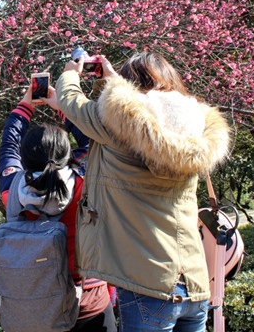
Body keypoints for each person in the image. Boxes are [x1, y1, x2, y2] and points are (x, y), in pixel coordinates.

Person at [56, 52, 230, 332]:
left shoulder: (117, 126)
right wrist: (108, 83)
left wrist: (70, 75)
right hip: (195, 286)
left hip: (147, 286)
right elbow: (123, 111)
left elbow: (73, 103)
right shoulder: (196, 128)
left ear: (130, 84)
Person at [0, 84, 117, 332]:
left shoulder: (12, 189)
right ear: (67, 155)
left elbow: (9, 145)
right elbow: (92, 141)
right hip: (90, 303)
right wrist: (62, 106)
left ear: (24, 158)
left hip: (37, 309)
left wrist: (25, 106)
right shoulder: (86, 182)